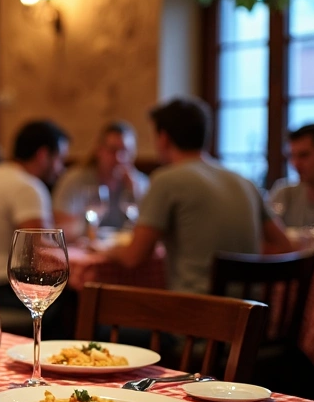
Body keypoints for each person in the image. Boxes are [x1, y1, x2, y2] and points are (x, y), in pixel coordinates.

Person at [107, 98, 291, 293]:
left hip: (196, 315)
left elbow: (133, 257)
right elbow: (284, 245)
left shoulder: (166, 180)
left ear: (163, 138)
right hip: (252, 314)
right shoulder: (244, 182)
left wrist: (107, 250)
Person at [0, 121, 70, 311]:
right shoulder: (27, 186)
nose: (61, 169)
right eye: (59, 159)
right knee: (69, 300)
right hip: (2, 288)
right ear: (43, 155)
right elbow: (41, 253)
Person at [53, 120, 149, 233]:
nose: (119, 157)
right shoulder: (74, 179)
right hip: (82, 248)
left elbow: (150, 228)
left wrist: (135, 192)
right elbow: (61, 228)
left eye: (125, 151)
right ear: (99, 151)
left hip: (123, 249)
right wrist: (88, 223)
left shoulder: (141, 183)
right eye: (112, 150)